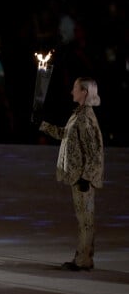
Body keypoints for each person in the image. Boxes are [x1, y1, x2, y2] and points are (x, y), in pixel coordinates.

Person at [36, 77, 104, 271]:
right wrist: (43, 125)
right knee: (84, 219)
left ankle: (83, 260)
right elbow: (64, 135)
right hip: (78, 175)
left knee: (85, 220)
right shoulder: (79, 114)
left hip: (82, 177)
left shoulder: (85, 117)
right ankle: (84, 257)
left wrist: (86, 176)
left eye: (74, 88)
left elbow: (94, 151)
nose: (71, 91)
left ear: (84, 92)